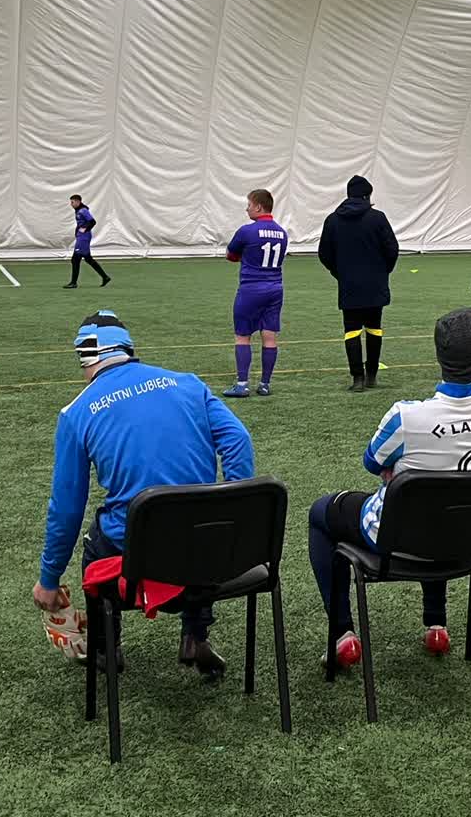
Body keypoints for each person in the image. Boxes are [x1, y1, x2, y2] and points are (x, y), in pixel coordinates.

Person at [33, 310, 255, 679]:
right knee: (199, 522)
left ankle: (106, 645)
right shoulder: (188, 383)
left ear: (85, 356)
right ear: (127, 348)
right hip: (206, 548)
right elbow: (238, 441)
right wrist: (232, 508)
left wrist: (49, 578)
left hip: (138, 554)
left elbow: (67, 507)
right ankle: (195, 634)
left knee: (96, 542)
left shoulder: (76, 413)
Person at [308, 308, 471, 667]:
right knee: (444, 498)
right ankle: (436, 625)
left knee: (321, 513)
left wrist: (402, 466)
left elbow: (372, 462)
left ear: (439, 356)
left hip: (402, 538)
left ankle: (343, 634)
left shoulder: (406, 417)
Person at [317, 175, 399, 392]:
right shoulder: (378, 218)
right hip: (375, 284)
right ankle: (371, 375)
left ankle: (357, 379)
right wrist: (383, 271)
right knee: (374, 328)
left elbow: (324, 253)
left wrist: (340, 273)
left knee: (351, 330)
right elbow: (392, 249)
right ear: (367, 196)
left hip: (349, 284)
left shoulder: (333, 220)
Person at [222, 189, 288, 399]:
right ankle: (265, 384)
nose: (247, 209)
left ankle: (242, 384)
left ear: (258, 207)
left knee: (243, 336)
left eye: (249, 205)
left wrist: (246, 256)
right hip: (275, 288)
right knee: (269, 337)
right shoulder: (282, 233)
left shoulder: (246, 231)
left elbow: (230, 255)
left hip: (251, 288)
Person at [64, 194, 110, 289]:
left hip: (83, 238)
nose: (71, 204)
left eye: (72, 202)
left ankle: (73, 283)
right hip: (81, 237)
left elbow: (92, 221)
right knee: (88, 259)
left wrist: (85, 229)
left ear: (78, 202)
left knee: (75, 259)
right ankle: (105, 277)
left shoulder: (83, 211)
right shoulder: (79, 210)